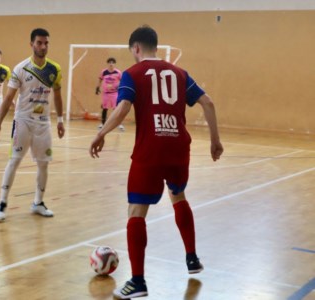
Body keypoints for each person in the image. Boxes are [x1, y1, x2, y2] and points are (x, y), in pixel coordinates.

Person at [89, 25, 223, 298]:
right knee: (178, 196)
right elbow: (208, 103)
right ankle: (192, 258)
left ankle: (137, 282)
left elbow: (123, 107)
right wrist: (215, 141)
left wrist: (101, 132)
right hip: (178, 148)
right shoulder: (180, 73)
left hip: (150, 149)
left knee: (136, 212)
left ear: (136, 48)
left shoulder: (133, 74)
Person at [0, 28, 65, 222]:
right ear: (31, 44)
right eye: (39, 43)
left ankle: (38, 203)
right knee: (14, 161)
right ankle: (2, 203)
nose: (43, 46)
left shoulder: (54, 69)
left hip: (43, 123)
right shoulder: (20, 68)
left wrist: (60, 120)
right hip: (22, 121)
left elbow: (57, 95)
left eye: (46, 43)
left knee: (43, 164)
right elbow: (8, 98)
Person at [96, 57, 124, 131]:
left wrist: (119, 87)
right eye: (109, 62)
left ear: (114, 64)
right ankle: (102, 124)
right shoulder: (104, 72)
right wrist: (97, 88)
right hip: (105, 93)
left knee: (116, 108)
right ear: (107, 63)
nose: (111, 64)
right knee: (104, 108)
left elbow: (122, 81)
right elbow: (100, 80)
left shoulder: (118, 72)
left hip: (114, 93)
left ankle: (119, 124)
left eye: (112, 62)